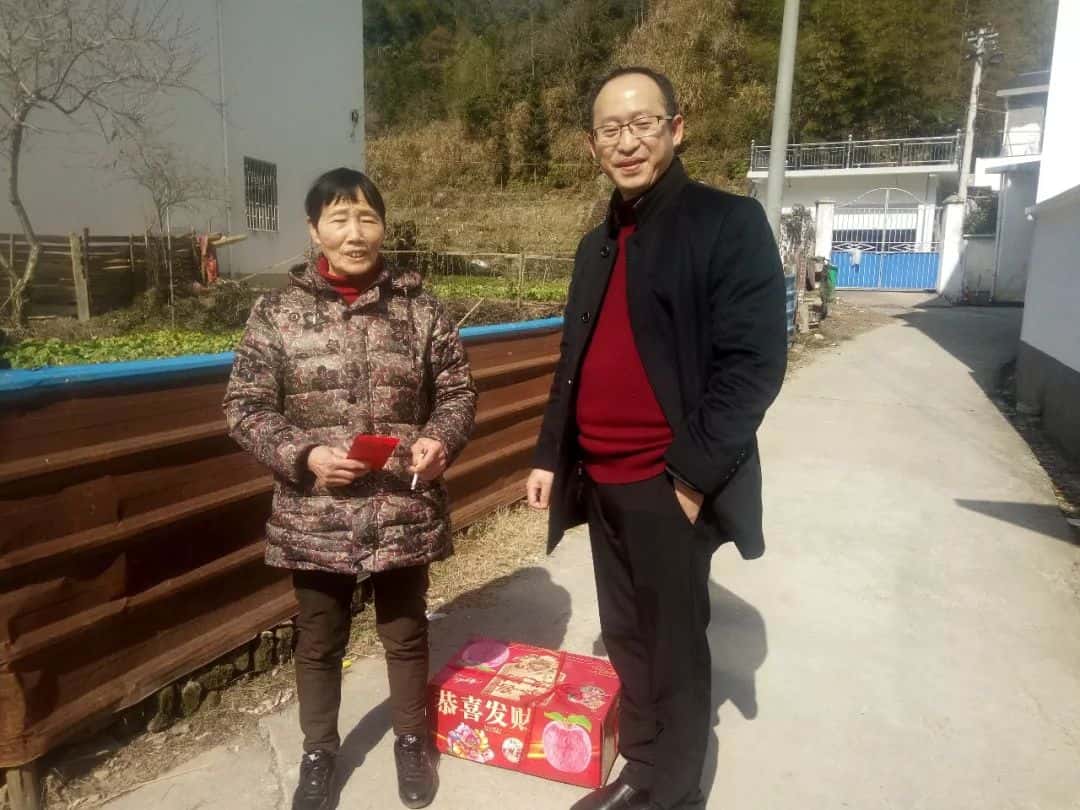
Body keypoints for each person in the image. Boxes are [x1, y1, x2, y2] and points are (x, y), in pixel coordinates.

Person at [526, 67, 788, 810]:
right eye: (611, 129)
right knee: (626, 635)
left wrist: (690, 478)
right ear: (592, 145)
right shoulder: (596, 245)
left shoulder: (726, 223)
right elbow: (572, 363)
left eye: (643, 123)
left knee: (672, 647)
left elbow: (754, 363)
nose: (627, 141)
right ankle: (643, 770)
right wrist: (549, 456)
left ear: (677, 128)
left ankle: (673, 793)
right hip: (601, 479)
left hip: (668, 481)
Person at [224, 168, 477, 810]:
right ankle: (319, 751)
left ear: (383, 227)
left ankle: (411, 740)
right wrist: (305, 454)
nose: (355, 232)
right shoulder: (277, 314)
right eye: (339, 219)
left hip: (402, 506)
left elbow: (457, 392)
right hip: (316, 513)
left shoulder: (421, 308)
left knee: (406, 630)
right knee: (318, 638)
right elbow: (246, 406)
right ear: (315, 231)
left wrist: (439, 440)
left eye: (367, 217)